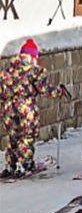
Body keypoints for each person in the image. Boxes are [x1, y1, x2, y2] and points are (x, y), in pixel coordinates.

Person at [0, 39, 68, 177]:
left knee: (13, 136)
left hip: (8, 108)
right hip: (26, 107)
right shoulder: (35, 71)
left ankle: (10, 164)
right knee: (26, 135)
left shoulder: (9, 69)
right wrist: (58, 91)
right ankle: (24, 164)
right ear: (33, 56)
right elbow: (44, 89)